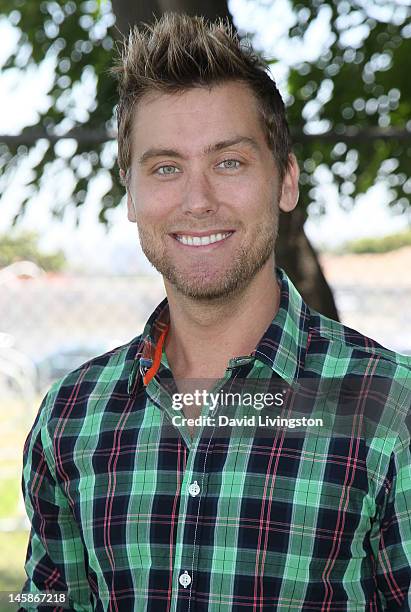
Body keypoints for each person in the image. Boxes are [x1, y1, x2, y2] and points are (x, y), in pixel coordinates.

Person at [19, 12, 411, 612]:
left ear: (285, 182)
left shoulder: (389, 410)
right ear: (130, 192)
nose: (197, 200)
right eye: (165, 167)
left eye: (228, 162)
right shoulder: (69, 420)